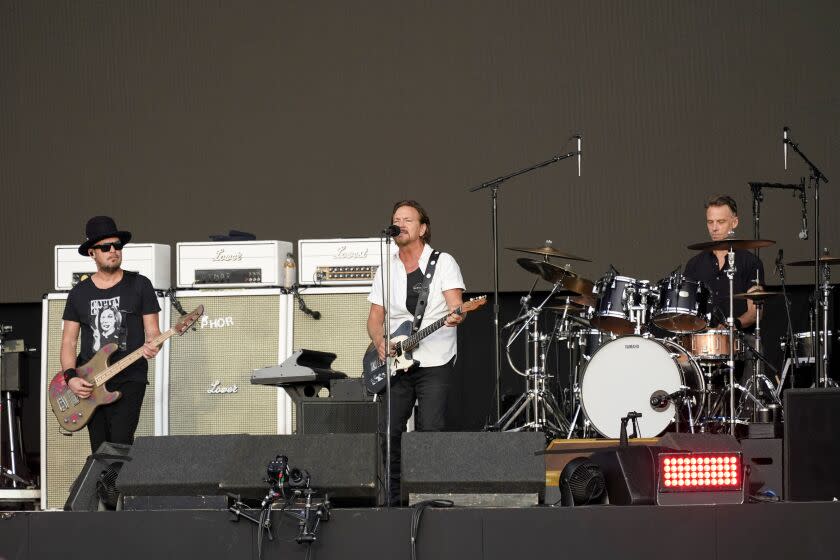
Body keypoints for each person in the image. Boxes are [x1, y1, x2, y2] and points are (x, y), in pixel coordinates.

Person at [367, 200, 466, 505]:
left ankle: (429, 498)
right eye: (397, 219)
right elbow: (374, 318)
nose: (401, 224)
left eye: (408, 219)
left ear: (423, 228)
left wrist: (457, 315)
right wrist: (380, 342)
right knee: (390, 430)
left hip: (435, 359)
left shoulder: (443, 262)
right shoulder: (387, 268)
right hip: (397, 360)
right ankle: (394, 500)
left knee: (430, 429)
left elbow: (457, 308)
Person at [60, 216, 162, 453]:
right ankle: (104, 491)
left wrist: (153, 345)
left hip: (129, 377)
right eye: (106, 247)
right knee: (100, 448)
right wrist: (71, 378)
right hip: (90, 381)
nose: (113, 251)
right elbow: (68, 342)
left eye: (117, 246)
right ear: (92, 253)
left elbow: (153, 333)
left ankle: (115, 490)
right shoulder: (78, 294)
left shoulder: (140, 285)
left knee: (120, 443)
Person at [684, 195, 765, 331]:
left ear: (734, 223)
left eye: (720, 222)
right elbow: (686, 310)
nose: (714, 228)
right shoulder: (694, 264)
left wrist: (732, 326)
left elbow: (755, 312)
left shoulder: (751, 262)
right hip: (703, 342)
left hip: (741, 340)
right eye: (710, 222)